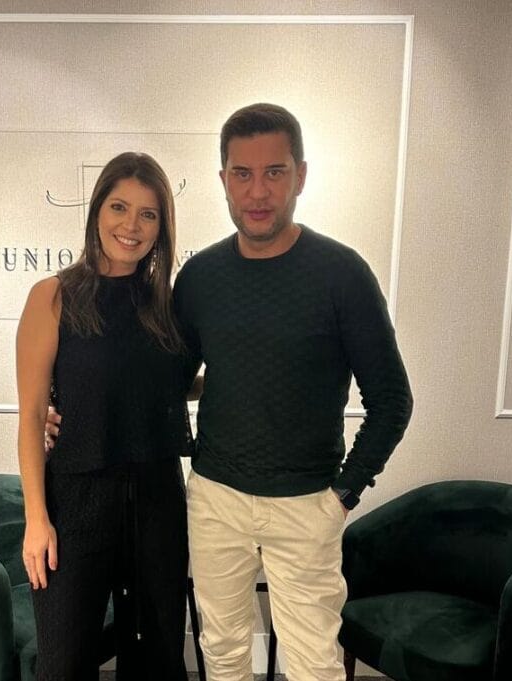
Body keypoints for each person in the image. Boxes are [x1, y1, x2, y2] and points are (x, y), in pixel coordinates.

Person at [171, 103, 413, 681]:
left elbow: (391, 400)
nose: (258, 192)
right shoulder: (199, 278)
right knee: (222, 652)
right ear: (223, 179)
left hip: (309, 503)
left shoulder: (342, 275)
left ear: (300, 176)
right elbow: (170, 381)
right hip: (216, 500)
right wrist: (66, 407)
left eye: (274, 172)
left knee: (312, 664)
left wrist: (344, 493)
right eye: (243, 173)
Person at [16, 152, 192, 681]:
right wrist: (36, 519)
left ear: (161, 228)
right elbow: (31, 416)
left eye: (147, 214)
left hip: (157, 499)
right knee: (65, 660)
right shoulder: (53, 297)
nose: (131, 225)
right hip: (75, 500)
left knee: (157, 658)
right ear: (97, 211)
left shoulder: (166, 305)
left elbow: (164, 382)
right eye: (119, 207)